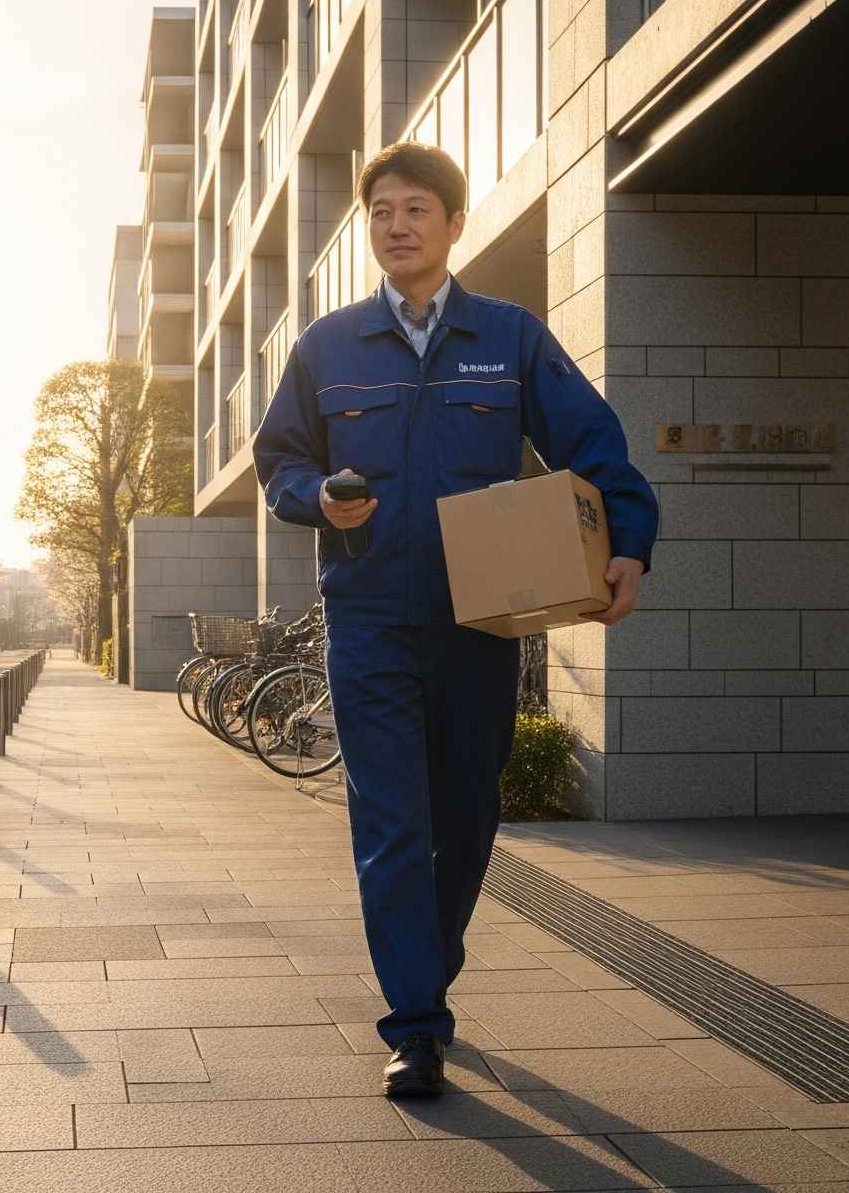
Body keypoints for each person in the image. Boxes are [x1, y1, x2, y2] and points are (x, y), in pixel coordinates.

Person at [253, 140, 658, 1099]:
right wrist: (321, 498)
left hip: (483, 620)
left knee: (468, 814)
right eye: (382, 212)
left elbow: (595, 444)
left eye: (416, 211)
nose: (397, 226)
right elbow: (280, 466)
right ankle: (416, 1025)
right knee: (391, 821)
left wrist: (629, 544)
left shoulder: (509, 337)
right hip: (369, 621)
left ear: (452, 223)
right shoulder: (328, 347)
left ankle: (426, 964)